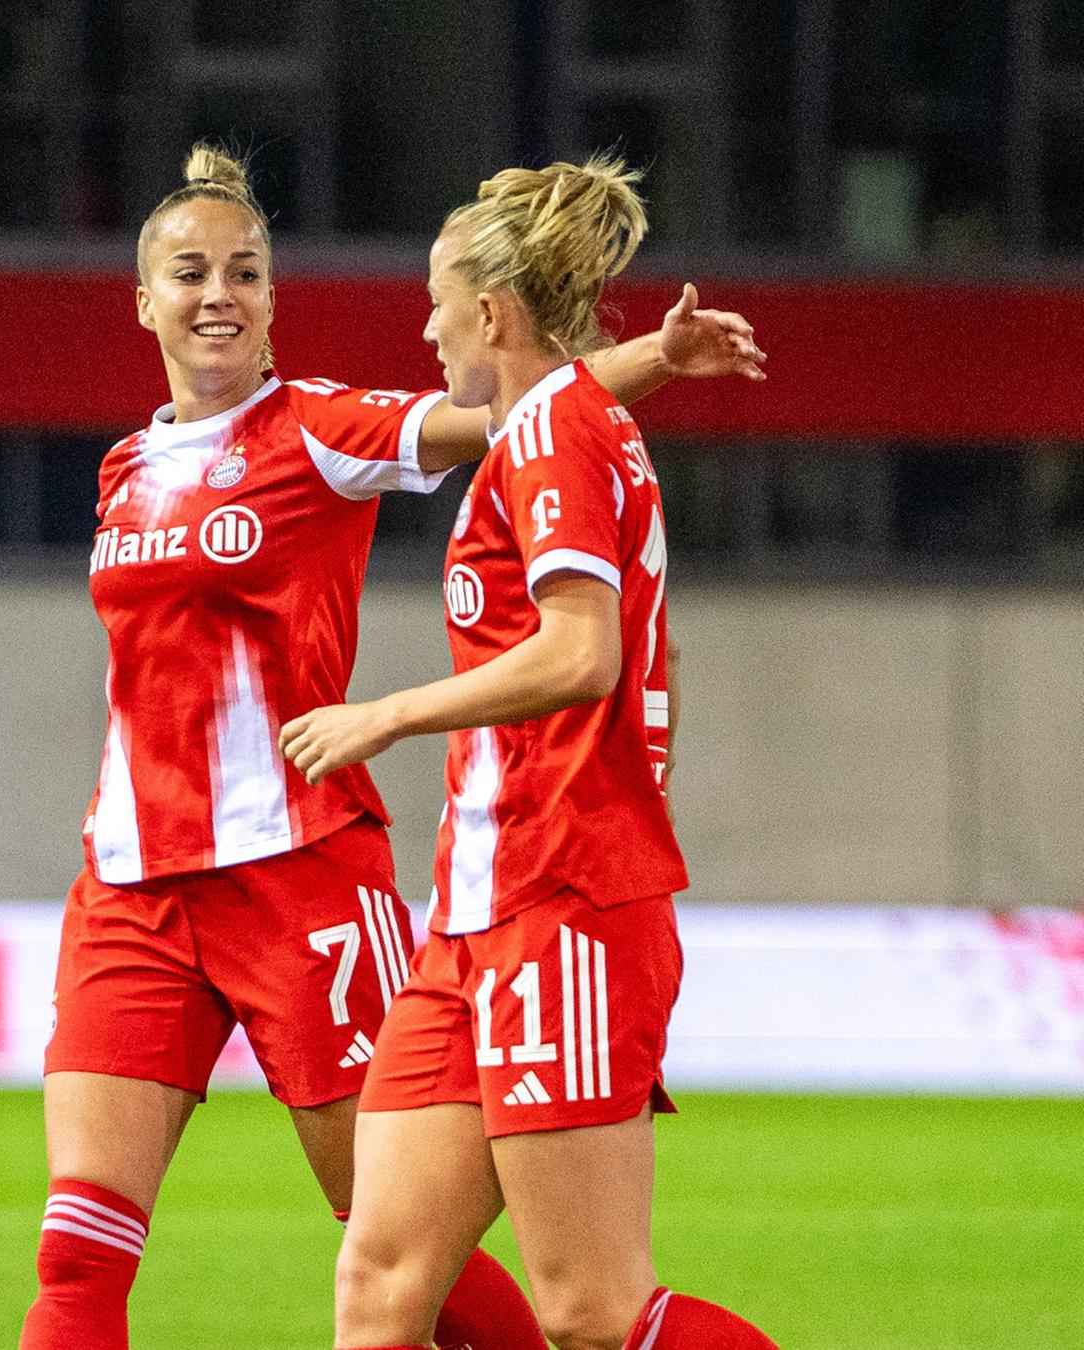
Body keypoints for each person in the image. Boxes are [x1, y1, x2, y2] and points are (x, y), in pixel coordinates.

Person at [21, 146, 764, 1350]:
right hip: (135, 883)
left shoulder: (319, 428)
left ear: (271, 301)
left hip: (308, 877)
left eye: (247, 271)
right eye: (191, 271)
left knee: (461, 1264)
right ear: (141, 299)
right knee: (95, 1254)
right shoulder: (122, 470)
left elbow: (519, 413)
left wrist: (646, 364)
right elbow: (534, 406)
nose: (220, 292)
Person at [279, 158, 776, 1350]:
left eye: (439, 299)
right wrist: (655, 357)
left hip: (567, 899)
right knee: (384, 1287)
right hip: (476, 918)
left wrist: (388, 713)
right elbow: (548, 404)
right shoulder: (556, 420)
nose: (427, 322)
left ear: (491, 313)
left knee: (593, 1313)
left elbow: (581, 654)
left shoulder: (554, 435)